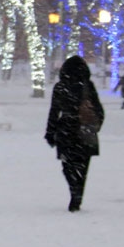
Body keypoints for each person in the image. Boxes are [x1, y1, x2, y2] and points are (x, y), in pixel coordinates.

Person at [44, 55, 104, 212]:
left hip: (66, 132)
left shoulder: (60, 87)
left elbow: (54, 111)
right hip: (85, 132)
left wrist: (50, 132)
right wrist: (93, 127)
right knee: (83, 167)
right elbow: (99, 110)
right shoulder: (87, 86)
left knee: (68, 166)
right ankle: (77, 195)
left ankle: (73, 190)